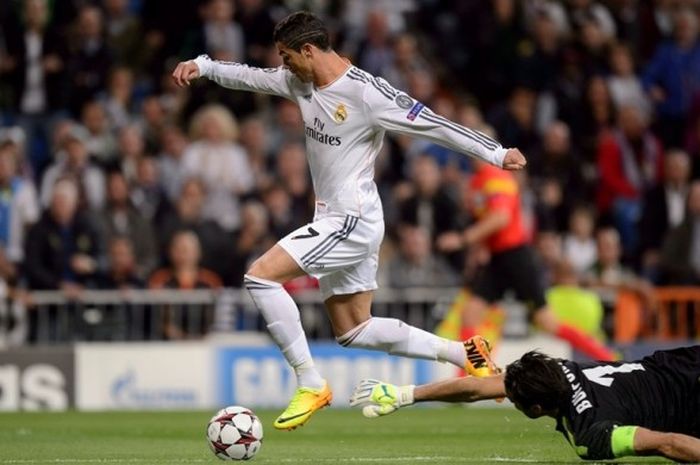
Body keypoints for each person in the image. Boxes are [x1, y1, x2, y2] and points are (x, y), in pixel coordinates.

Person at [172, 11, 525, 431]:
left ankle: (310, 382)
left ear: (308, 50)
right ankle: (464, 353)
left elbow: (435, 125)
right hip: (341, 217)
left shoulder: (367, 94)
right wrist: (205, 66)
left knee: (260, 277)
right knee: (354, 329)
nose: (283, 65)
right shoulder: (297, 81)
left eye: (287, 57)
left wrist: (496, 153)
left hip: (351, 220)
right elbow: (249, 77)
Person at [350, 347, 700, 462]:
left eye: (513, 399)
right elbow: (473, 389)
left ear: (535, 410)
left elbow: (666, 442)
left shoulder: (590, 436)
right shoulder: (558, 369)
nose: (507, 397)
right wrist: (406, 395)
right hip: (682, 362)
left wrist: (407, 394)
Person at [437, 159, 616, 361]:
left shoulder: (497, 178)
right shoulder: (477, 181)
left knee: (547, 322)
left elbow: (500, 218)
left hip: (516, 258)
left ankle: (609, 356)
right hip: (498, 259)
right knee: (469, 315)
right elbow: (486, 221)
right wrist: (480, 250)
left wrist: (463, 239)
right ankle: (475, 374)